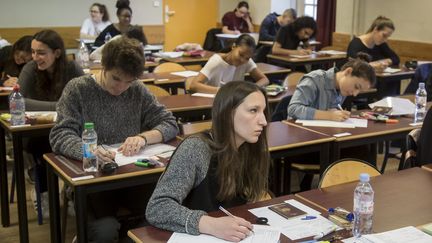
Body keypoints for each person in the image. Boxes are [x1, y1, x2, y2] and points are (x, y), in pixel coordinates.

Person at [50, 36, 178, 242]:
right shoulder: (78, 89)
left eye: (129, 81)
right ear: (103, 66)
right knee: (105, 231)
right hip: (92, 181)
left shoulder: (136, 90)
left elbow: (169, 123)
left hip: (130, 176)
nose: (121, 88)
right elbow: (60, 135)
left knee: (161, 215)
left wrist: (143, 138)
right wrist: (89, 150)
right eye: (116, 78)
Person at [146, 81, 270, 242]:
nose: (264, 121)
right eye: (253, 110)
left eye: (264, 111)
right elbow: (157, 208)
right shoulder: (196, 148)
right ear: (227, 113)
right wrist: (210, 224)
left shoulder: (248, 147)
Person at [288, 53, 376, 121]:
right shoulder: (315, 80)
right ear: (348, 72)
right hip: (299, 134)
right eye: (356, 86)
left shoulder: (342, 88)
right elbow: (293, 109)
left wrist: (339, 114)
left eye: (359, 91)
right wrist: (329, 115)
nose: (355, 94)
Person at [190, 34, 269, 94]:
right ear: (233, 47)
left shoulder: (247, 61)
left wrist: (251, 89)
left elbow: (264, 79)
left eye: (247, 58)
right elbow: (194, 85)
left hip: (233, 103)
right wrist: (221, 91)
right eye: (240, 55)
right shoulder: (217, 61)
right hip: (215, 104)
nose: (242, 60)